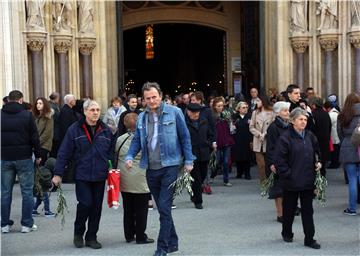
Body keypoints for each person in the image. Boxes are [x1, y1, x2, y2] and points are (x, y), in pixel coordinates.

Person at [125, 82, 195, 256]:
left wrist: (189, 160)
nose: (151, 100)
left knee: (163, 207)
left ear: (161, 96)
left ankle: (162, 248)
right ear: (144, 100)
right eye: (148, 98)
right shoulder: (141, 117)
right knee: (162, 209)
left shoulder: (175, 112)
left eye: (154, 97)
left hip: (170, 165)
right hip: (151, 168)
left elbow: (185, 137)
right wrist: (129, 156)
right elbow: (136, 140)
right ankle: (173, 243)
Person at [52, 99, 115, 249]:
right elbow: (64, 152)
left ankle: (92, 237)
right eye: (92, 110)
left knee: (96, 207)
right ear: (85, 111)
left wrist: (111, 168)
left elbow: (111, 153)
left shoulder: (106, 130)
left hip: (100, 174)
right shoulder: (74, 129)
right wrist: (58, 173)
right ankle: (78, 233)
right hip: (82, 174)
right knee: (85, 204)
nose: (95, 113)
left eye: (98, 110)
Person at [276, 107, 321, 249]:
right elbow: (280, 160)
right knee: (289, 209)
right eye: (300, 119)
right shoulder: (285, 138)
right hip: (291, 182)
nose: (303, 122)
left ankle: (309, 238)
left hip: (308, 180)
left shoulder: (310, 136)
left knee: (308, 211)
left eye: (305, 119)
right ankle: (287, 233)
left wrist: (319, 163)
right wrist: (288, 174)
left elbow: (317, 153)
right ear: (292, 121)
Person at [1, 90, 41, 233]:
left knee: (5, 192)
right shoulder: (27, 115)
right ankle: (26, 224)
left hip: (5, 158)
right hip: (24, 157)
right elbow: (34, 137)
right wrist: (38, 155)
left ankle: (4, 224)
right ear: (20, 100)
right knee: (27, 192)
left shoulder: (0, 115)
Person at [116, 113, 154, 244]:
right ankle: (140, 236)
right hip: (140, 178)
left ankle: (129, 234)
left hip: (124, 178)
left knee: (128, 208)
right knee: (141, 209)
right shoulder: (145, 139)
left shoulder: (120, 139)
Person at [185, 103, 215, 209]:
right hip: (191, 154)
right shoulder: (184, 123)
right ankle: (198, 201)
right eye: (193, 112)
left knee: (202, 175)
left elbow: (211, 134)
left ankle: (193, 191)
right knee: (196, 178)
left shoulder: (204, 121)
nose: (196, 114)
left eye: (198, 112)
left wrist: (210, 143)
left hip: (204, 152)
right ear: (188, 112)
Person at [265, 101, 291, 223]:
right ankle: (280, 214)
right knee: (279, 189)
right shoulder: (273, 127)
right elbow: (270, 147)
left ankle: (288, 211)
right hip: (277, 161)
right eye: (285, 110)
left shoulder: (290, 125)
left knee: (288, 187)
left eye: (288, 110)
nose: (288, 113)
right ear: (277, 113)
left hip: (289, 160)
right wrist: (272, 163)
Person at [337, 92, 360, 216]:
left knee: (352, 179)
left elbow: (339, 133)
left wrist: (345, 142)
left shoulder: (343, 115)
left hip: (348, 146)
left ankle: (352, 208)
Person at [249, 95, 274, 182]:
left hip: (268, 140)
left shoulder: (272, 113)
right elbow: (251, 127)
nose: (257, 102)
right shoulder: (255, 113)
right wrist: (259, 134)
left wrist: (265, 134)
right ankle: (263, 182)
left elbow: (273, 127)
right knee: (261, 164)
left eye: (258, 100)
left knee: (269, 164)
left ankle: (270, 181)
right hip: (258, 141)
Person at [211, 96, 235, 186]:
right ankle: (213, 175)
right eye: (218, 106)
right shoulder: (212, 116)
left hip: (227, 140)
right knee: (217, 161)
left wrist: (232, 125)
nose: (221, 108)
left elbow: (231, 126)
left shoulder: (226, 114)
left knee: (226, 161)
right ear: (214, 106)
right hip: (217, 141)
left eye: (222, 105)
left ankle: (226, 180)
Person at [308, 97, 331, 176]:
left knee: (317, 158)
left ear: (314, 105)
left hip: (316, 139)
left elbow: (311, 128)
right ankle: (323, 173)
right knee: (323, 159)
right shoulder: (326, 114)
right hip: (325, 139)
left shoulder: (313, 114)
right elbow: (329, 127)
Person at [232, 101, 252, 179]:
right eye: (243, 108)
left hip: (247, 139)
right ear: (239, 109)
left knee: (247, 156)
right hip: (237, 139)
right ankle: (239, 172)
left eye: (246, 107)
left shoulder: (250, 116)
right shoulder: (235, 117)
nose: (245, 109)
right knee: (238, 156)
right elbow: (232, 128)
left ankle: (247, 173)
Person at [32, 97, 54, 166]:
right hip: (36, 145)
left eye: (40, 103)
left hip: (44, 146)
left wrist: (36, 143)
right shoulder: (37, 116)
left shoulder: (48, 116)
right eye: (37, 103)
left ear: (45, 105)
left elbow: (47, 133)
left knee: (41, 166)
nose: (38, 105)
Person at [324, 101, 340, 169]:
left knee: (334, 150)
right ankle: (336, 163)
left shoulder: (331, 115)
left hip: (334, 135)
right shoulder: (336, 113)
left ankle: (334, 164)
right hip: (336, 134)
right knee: (336, 149)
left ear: (328, 108)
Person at [49, 92, 61, 158]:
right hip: (54, 130)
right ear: (56, 98)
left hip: (54, 130)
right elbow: (57, 118)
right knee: (54, 150)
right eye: (58, 97)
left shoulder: (53, 105)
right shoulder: (52, 106)